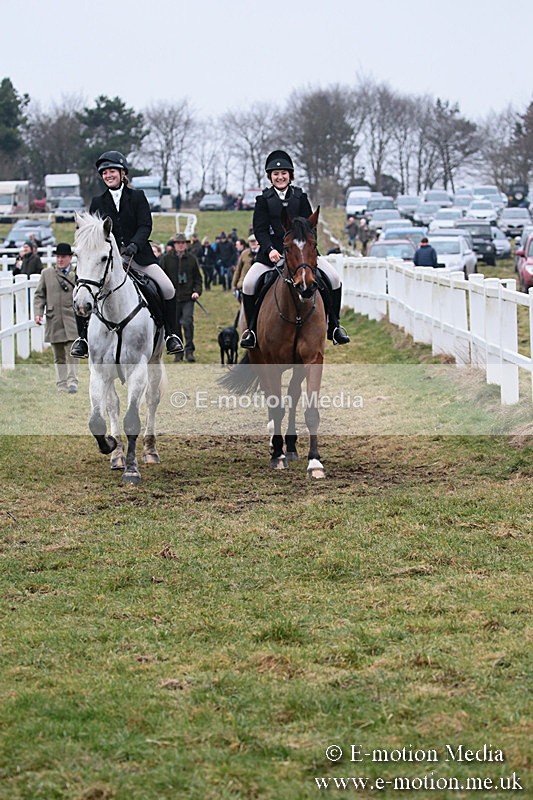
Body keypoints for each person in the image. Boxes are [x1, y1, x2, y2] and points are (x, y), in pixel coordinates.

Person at [70, 150, 183, 358]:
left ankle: (171, 335)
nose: (108, 175)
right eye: (104, 173)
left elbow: (145, 225)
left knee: (167, 287)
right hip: (108, 261)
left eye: (112, 171)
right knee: (81, 290)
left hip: (138, 257)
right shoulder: (97, 202)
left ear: (123, 173)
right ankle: (83, 338)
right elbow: (93, 232)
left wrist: (134, 245)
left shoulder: (138, 197)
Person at [239, 150, 350, 349]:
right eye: (275, 174)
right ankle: (252, 331)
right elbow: (260, 229)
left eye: (283, 173)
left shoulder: (300, 197)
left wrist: (309, 249)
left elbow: (310, 226)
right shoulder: (263, 200)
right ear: (270, 177)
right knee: (248, 284)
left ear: (290, 175)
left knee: (333, 278)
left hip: (302, 254)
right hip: (272, 255)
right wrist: (270, 249)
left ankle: (334, 326)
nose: (280, 177)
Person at [33, 243, 79, 393]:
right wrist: (38, 312)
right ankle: (61, 384)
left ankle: (73, 382)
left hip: (72, 319)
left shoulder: (76, 274)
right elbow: (40, 295)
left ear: (70, 258)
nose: (60, 260)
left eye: (63, 257)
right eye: (58, 256)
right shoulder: (47, 274)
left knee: (72, 352)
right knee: (58, 355)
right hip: (54, 319)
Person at [161, 233, 203, 362]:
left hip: (188, 297)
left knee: (187, 322)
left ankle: (190, 351)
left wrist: (197, 291)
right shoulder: (166, 259)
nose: (181, 245)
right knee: (175, 325)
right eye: (178, 243)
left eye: (183, 243)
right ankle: (178, 352)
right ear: (174, 245)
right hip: (172, 298)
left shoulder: (191, 259)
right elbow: (162, 277)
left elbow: (198, 279)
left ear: (186, 244)